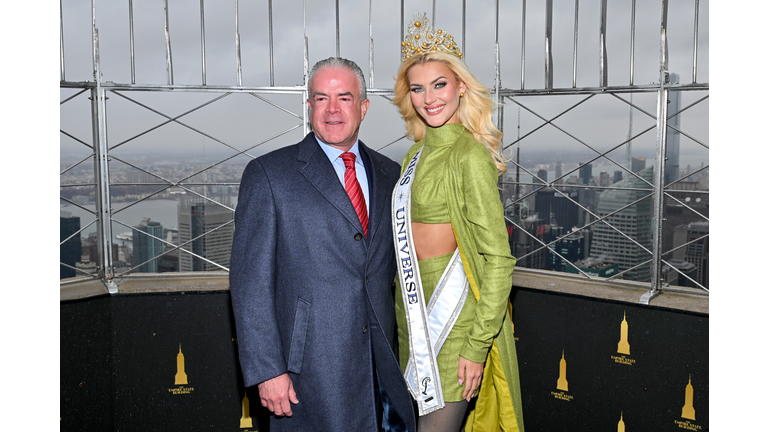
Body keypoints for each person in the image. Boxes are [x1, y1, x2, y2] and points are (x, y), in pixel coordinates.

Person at [230, 57, 416, 432]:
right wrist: (268, 371)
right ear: (310, 106)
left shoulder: (391, 174)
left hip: (382, 368)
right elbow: (250, 285)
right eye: (321, 98)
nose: (332, 109)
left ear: (363, 107)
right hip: (308, 372)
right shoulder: (269, 175)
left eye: (344, 98)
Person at [391, 14, 525, 432]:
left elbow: (499, 261)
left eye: (439, 84)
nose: (429, 98)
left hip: (453, 325)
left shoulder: (469, 156)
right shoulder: (412, 156)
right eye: (417, 88)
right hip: (410, 314)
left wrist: (476, 345)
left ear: (461, 86)